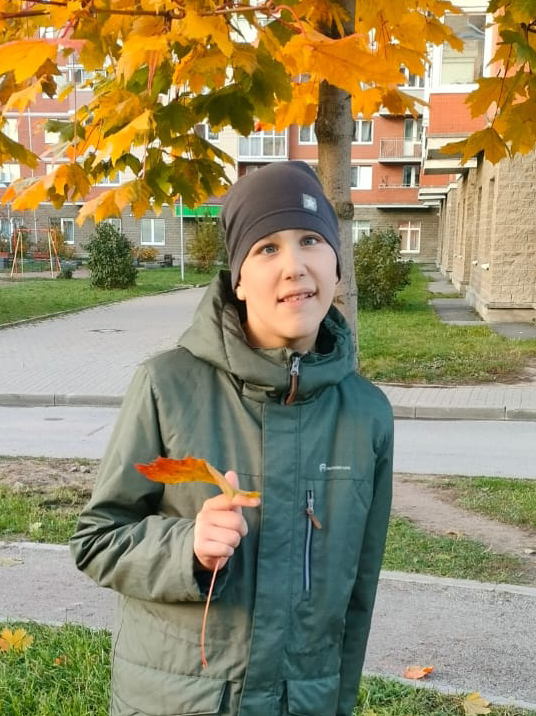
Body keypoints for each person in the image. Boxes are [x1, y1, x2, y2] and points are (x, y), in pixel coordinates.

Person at [70, 160, 394, 716]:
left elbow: (358, 595)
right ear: (239, 280)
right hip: (180, 701)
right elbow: (97, 540)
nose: (294, 266)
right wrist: (188, 548)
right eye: (267, 248)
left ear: (336, 265)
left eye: (311, 240)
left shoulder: (367, 414)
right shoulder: (167, 386)